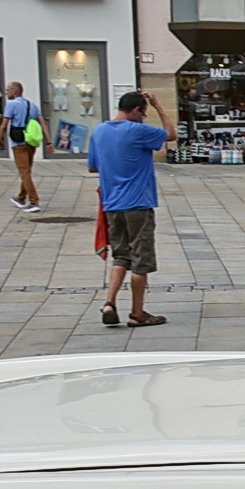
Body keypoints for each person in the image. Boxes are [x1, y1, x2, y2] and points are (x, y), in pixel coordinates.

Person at [88, 90, 170, 326]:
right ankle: (137, 313)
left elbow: (93, 168)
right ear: (136, 110)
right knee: (140, 259)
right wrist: (158, 106)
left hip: (112, 204)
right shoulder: (138, 130)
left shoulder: (100, 131)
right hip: (138, 204)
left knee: (121, 255)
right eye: (143, 113)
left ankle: (109, 302)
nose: (144, 118)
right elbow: (171, 134)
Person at [1, 81, 45, 213]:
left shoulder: (11, 104)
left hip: (18, 142)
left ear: (15, 91)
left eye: (8, 89)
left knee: (24, 172)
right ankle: (20, 198)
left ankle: (34, 201)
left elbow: (4, 124)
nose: (6, 92)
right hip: (31, 141)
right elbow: (42, 123)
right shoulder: (32, 105)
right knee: (27, 171)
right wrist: (48, 142)